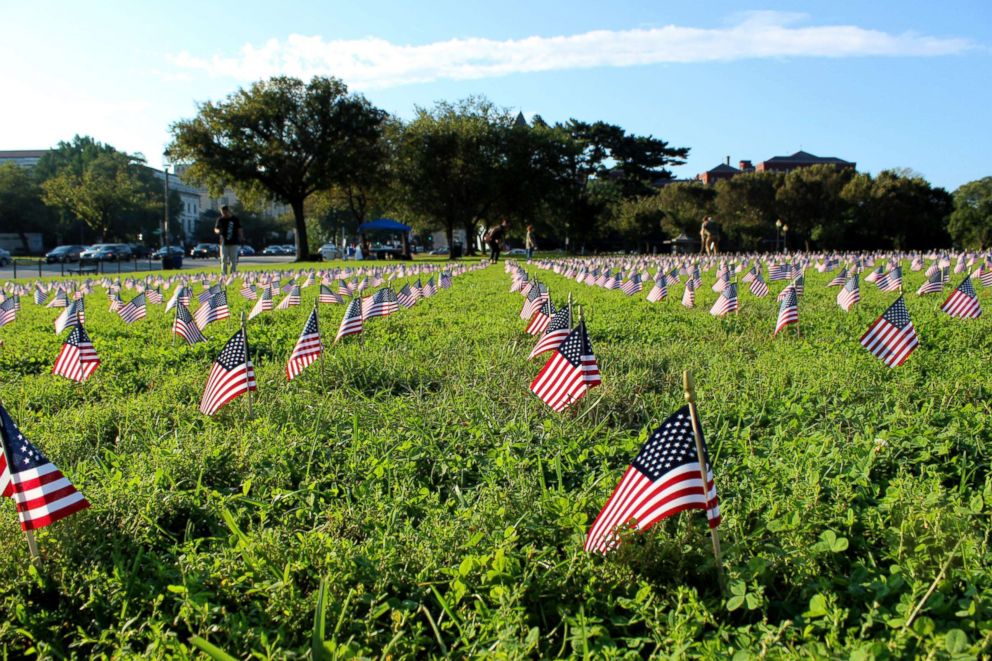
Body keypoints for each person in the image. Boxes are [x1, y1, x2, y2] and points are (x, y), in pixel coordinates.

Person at [214, 206, 244, 275]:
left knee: (233, 259)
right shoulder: (220, 219)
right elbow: (216, 228)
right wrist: (217, 231)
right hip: (223, 242)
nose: (223, 214)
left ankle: (233, 273)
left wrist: (241, 237)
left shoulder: (235, 219)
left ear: (228, 211)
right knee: (223, 259)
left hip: (233, 242)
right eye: (222, 213)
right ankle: (224, 273)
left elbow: (239, 228)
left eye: (224, 212)